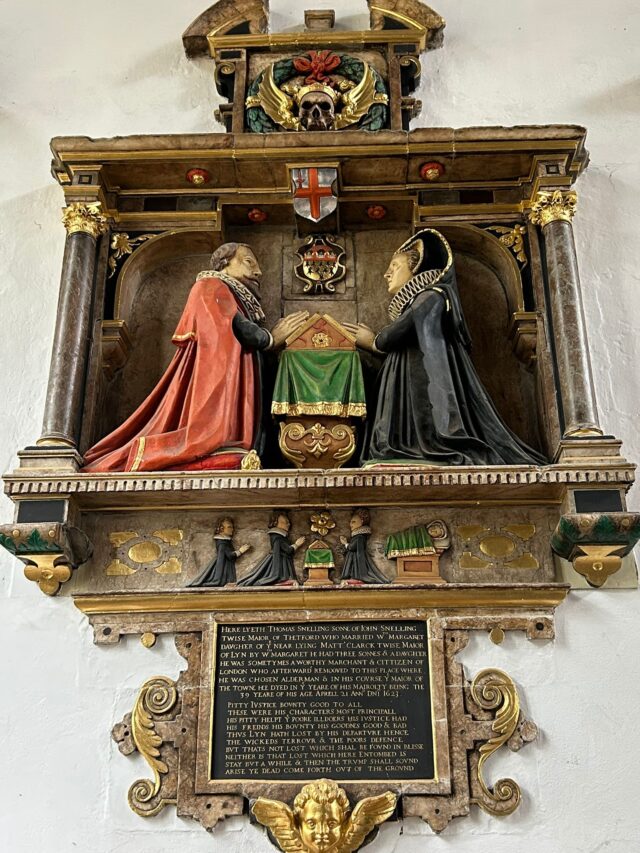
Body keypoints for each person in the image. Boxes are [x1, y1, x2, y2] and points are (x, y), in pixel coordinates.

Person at [82, 243, 307, 472]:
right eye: (249, 262)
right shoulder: (210, 285)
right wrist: (270, 338)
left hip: (235, 376)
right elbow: (233, 326)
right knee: (210, 428)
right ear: (224, 263)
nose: (258, 272)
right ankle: (212, 447)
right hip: (216, 374)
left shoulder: (235, 296)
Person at [345, 229, 546, 466]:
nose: (387, 273)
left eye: (395, 266)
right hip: (410, 376)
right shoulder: (423, 299)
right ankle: (405, 449)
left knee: (424, 428)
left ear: (417, 268)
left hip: (426, 380)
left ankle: (425, 448)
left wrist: (373, 341)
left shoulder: (431, 296)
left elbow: (400, 330)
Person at [238, 510, 305, 586]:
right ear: (275, 523)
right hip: (278, 561)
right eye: (285, 522)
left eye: (288, 522)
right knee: (274, 577)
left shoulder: (281, 536)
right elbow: (288, 550)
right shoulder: (277, 537)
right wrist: (296, 544)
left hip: (282, 560)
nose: (288, 524)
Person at [188, 517, 250, 587]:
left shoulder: (226, 540)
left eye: (232, 527)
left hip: (226, 564)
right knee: (219, 581)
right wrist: (240, 551)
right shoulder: (222, 543)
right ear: (221, 529)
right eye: (229, 527)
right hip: (223, 567)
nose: (232, 529)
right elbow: (229, 555)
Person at [339, 508, 389, 585]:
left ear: (362, 521)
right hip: (354, 557)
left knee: (356, 569)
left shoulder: (360, 537)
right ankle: (353, 578)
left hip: (358, 559)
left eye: (353, 522)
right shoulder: (357, 536)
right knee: (353, 568)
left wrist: (345, 543)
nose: (350, 524)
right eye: (350, 522)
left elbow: (352, 547)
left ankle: (358, 578)